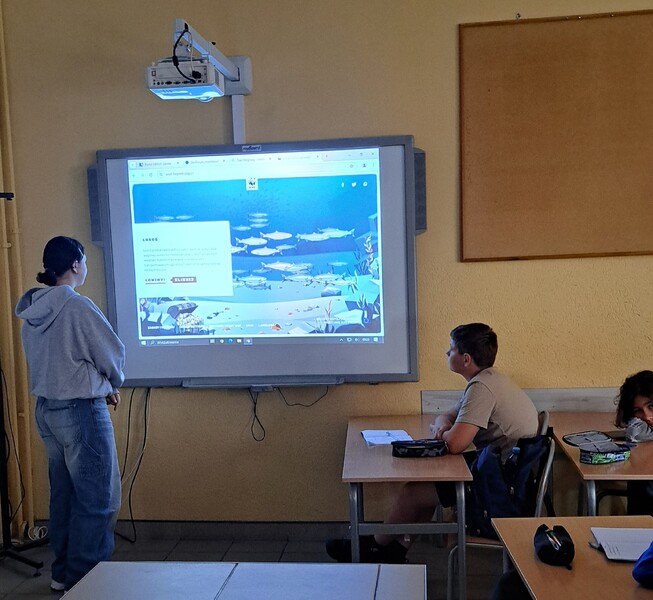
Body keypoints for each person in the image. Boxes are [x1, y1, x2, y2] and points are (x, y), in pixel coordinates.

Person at [326, 323, 539, 563]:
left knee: (412, 493)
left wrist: (445, 431)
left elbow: (455, 444)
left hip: (499, 484)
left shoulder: (482, 388)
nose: (447, 353)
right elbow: (447, 416)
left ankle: (374, 547)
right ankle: (395, 550)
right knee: (426, 487)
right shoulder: (489, 379)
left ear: (466, 359)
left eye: (451, 349)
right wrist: (444, 426)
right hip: (501, 470)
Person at [15, 236, 125, 591]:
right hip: (81, 413)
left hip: (47, 412)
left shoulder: (33, 312)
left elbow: (60, 362)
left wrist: (102, 385)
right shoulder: (77, 306)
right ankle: (86, 584)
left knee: (64, 497)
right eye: (85, 260)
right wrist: (111, 383)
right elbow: (111, 354)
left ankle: (62, 574)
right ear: (75, 265)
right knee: (98, 500)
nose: (86, 266)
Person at [614, 370, 653, 516]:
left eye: (651, 406)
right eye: (638, 411)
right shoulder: (640, 428)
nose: (647, 416)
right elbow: (635, 433)